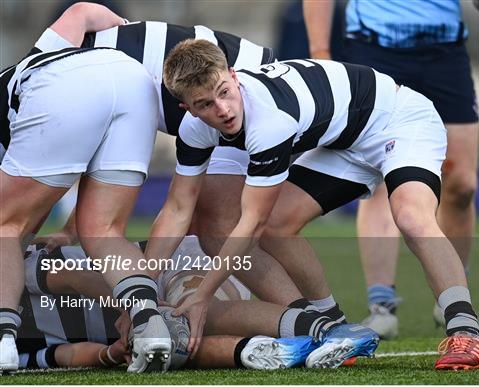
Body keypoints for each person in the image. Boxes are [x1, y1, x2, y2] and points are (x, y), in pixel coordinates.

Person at [153, 38, 479, 370]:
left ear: (234, 75)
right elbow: (177, 209)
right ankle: (336, 328)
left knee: (411, 216)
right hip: (344, 141)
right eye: (204, 104)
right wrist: (140, 293)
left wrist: (201, 298)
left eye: (224, 92)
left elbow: (250, 224)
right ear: (188, 109)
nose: (222, 110)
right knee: (277, 226)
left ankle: (466, 333)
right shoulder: (194, 130)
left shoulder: (269, 120)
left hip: (399, 120)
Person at [28, 2, 318, 310]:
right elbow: (82, 12)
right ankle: (310, 315)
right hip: (244, 81)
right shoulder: (42, 65)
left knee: (219, 229)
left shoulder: (43, 93)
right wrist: (136, 33)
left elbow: (49, 178)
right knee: (212, 226)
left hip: (244, 93)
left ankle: (309, 322)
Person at [303, 0, 479, 339]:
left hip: (444, 51)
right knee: (379, 180)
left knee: (461, 185)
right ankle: (382, 307)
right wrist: (321, 52)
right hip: (373, 48)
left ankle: (452, 300)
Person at [0, 43, 172, 372]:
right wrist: (65, 231)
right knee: (103, 231)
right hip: (133, 79)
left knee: (5, 224)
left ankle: (2, 340)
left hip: (66, 87)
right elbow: (83, 12)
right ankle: (149, 324)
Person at [17, 239, 378, 370]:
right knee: (173, 346)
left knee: (187, 312)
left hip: (164, 271)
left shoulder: (14, 267)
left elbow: (75, 277)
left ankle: (331, 329)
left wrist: (143, 311)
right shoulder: (10, 347)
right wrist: (110, 354)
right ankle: (264, 352)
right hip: (138, 329)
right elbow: (56, 358)